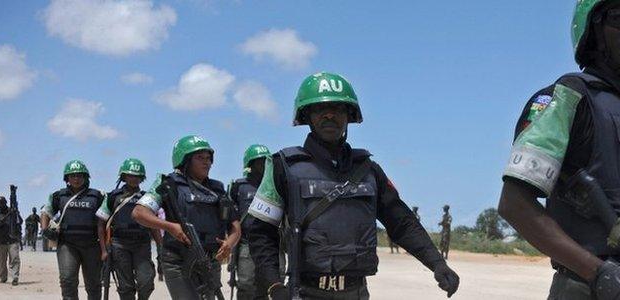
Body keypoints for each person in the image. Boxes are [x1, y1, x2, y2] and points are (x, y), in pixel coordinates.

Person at [498, 0, 620, 299]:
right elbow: (514, 204)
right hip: (591, 287)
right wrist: (603, 275)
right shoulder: (567, 100)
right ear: (594, 30)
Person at [247, 72, 460, 299]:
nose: (330, 115)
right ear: (307, 116)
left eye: (338, 109)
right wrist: (274, 285)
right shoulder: (284, 167)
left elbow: (401, 222)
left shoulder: (369, 170)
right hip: (305, 292)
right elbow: (260, 232)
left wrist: (437, 263)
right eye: (320, 109)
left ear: (349, 116)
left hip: (356, 292)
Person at [132, 135, 241, 300]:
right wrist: (170, 227)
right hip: (178, 261)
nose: (207, 162)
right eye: (200, 158)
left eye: (208, 158)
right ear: (185, 161)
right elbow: (139, 213)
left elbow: (235, 227)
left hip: (210, 261)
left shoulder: (217, 189)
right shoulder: (168, 184)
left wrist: (229, 244)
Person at [96, 158, 162, 300]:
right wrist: (103, 250)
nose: (134, 179)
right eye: (130, 175)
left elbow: (154, 225)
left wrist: (161, 247)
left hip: (142, 244)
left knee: (146, 282)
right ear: (124, 176)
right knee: (125, 287)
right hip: (119, 244)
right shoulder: (112, 197)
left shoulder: (147, 198)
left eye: (137, 176)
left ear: (142, 178)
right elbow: (101, 224)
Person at [42, 160, 106, 299]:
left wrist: (106, 247)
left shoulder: (98, 196)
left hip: (92, 245)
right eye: (72, 176)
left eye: (79, 175)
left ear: (85, 177)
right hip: (67, 244)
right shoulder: (59, 196)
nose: (76, 179)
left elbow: (107, 219)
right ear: (67, 178)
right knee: (67, 280)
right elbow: (46, 212)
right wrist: (45, 229)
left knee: (94, 283)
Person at [228, 144, 273, 300]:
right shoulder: (239, 187)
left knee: (274, 281)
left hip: (273, 241)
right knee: (246, 283)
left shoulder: (275, 184)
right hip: (247, 242)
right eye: (259, 161)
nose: (263, 164)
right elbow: (230, 216)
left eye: (265, 161)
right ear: (251, 164)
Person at [0, 193, 22, 285]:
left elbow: (20, 221)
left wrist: (16, 213)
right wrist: (9, 214)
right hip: (0, 241)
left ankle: (15, 277)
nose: (2, 205)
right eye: (0, 203)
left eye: (3, 203)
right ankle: (3, 277)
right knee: (2, 262)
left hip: (12, 239)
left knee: (15, 259)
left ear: (6, 202)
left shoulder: (12, 211)